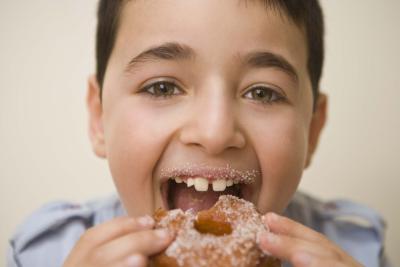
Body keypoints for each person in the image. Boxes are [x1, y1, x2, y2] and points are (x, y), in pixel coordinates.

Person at [7, 1, 391, 266]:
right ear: (98, 117)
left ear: (312, 128)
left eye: (262, 92)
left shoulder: (352, 251)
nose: (215, 132)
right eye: (162, 87)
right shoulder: (47, 254)